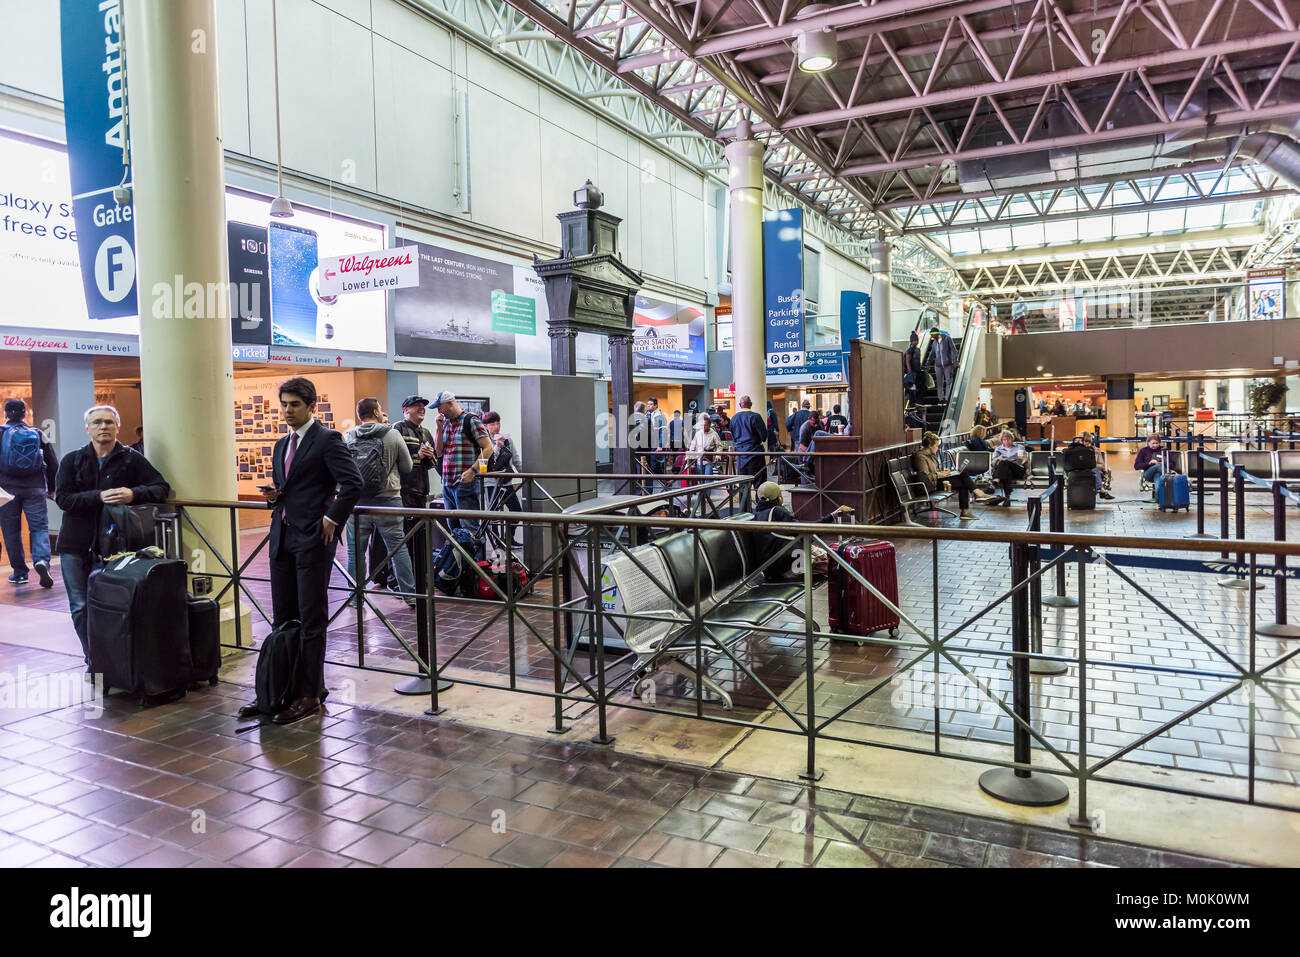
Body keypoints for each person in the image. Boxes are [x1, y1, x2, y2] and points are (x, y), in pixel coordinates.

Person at [236, 378, 361, 724]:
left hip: (313, 540)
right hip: (283, 537)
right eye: (285, 405)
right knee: (284, 618)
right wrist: (276, 496)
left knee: (311, 619)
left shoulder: (327, 440)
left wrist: (332, 517)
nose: (288, 411)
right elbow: (290, 488)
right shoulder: (280, 445)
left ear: (310, 406)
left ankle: (310, 694)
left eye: (294, 405)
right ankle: (280, 690)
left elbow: (353, 484)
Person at [54, 405, 170, 673]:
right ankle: (94, 660)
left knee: (116, 605)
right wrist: (97, 496)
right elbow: (62, 498)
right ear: (88, 428)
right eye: (96, 422)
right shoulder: (72, 460)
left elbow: (159, 487)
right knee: (80, 606)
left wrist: (133, 494)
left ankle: (118, 660)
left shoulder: (131, 459)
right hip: (75, 544)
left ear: (117, 426)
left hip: (117, 547)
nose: (103, 427)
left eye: (108, 422)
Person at [344, 398, 416, 606]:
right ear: (376, 412)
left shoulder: (349, 436)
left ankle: (355, 598)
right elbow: (407, 466)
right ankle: (410, 595)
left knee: (355, 551)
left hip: (357, 502)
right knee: (397, 548)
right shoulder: (392, 434)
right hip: (388, 499)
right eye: (380, 409)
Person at [0, 399, 59, 587]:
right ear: (25, 414)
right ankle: (42, 561)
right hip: (35, 487)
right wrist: (51, 488)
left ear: (5, 414)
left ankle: (19, 573)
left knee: (11, 532)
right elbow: (53, 462)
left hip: (7, 488)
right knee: (39, 528)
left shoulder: (1, 433)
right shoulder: (37, 433)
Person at [751, 481, 851, 578]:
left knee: (827, 556)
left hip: (771, 568)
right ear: (779, 498)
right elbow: (806, 531)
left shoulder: (756, 516)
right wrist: (831, 516)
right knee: (838, 565)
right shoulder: (778, 512)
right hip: (787, 567)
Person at [432, 391, 493, 537]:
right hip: (447, 483)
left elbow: (488, 448)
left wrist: (473, 471)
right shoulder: (445, 423)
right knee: (454, 530)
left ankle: (474, 560)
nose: (439, 411)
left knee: (469, 529)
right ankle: (459, 560)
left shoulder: (471, 420)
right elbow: (439, 452)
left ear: (451, 403)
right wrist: (438, 428)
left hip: (465, 483)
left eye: (440, 407)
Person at [482, 410, 523, 545]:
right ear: (486, 426)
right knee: (493, 513)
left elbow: (516, 459)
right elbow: (487, 460)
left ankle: (509, 538)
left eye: (498, 422)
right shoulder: (484, 441)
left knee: (516, 510)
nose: (496, 426)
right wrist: (497, 446)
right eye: (492, 423)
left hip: (506, 481)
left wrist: (525, 474)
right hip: (490, 482)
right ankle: (497, 541)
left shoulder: (507, 440)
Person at [914, 431, 976, 520]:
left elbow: (934, 471)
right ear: (930, 446)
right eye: (936, 445)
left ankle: (967, 509)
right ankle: (971, 503)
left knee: (963, 475)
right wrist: (942, 474)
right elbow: (926, 477)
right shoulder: (920, 457)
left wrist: (943, 472)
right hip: (930, 485)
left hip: (937, 481)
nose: (938, 448)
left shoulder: (931, 455)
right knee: (963, 481)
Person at [729, 395, 768, 488]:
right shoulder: (756, 417)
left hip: (741, 454)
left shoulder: (734, 418)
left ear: (739, 405)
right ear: (751, 404)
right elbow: (764, 436)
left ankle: (744, 503)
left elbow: (733, 437)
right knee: (760, 483)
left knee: (743, 484)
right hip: (756, 454)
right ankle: (760, 502)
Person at [989, 429, 1029, 506]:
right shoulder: (998, 449)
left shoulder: (1019, 447)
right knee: (1006, 470)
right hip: (1005, 472)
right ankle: (1007, 498)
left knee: (1005, 463)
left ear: (1012, 439)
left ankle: (995, 482)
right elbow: (993, 464)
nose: (1006, 441)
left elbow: (1026, 462)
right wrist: (997, 459)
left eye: (1008, 439)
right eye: (1004, 439)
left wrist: (1024, 459)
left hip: (1018, 469)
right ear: (1001, 440)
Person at [929, 328, 958, 401]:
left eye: (932, 335)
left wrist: (955, 361)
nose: (931, 336)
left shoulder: (947, 339)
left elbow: (953, 350)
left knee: (949, 382)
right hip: (938, 366)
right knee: (939, 383)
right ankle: (940, 399)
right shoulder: (934, 343)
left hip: (948, 364)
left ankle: (947, 398)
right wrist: (927, 364)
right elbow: (931, 354)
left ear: (936, 333)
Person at [646, 397, 669, 479]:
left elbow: (663, 431)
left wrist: (660, 445)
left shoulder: (660, 416)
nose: (648, 406)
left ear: (656, 405)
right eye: (648, 404)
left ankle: (664, 481)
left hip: (656, 444)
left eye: (651, 404)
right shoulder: (647, 415)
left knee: (654, 465)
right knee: (648, 466)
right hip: (647, 445)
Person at [902, 331, 922, 404]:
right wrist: (910, 371)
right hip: (912, 372)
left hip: (916, 372)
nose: (916, 342)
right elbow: (907, 361)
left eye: (917, 340)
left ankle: (913, 403)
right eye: (914, 340)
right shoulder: (910, 350)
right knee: (910, 388)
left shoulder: (918, 350)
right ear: (911, 341)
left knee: (913, 389)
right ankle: (911, 403)